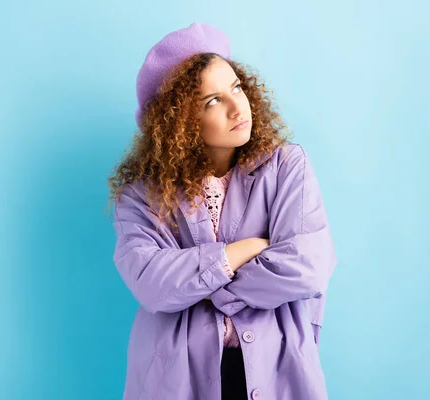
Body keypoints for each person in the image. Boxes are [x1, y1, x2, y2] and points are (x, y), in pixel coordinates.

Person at [107, 22, 338, 400]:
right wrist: (243, 250)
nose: (237, 107)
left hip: (278, 366)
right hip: (177, 378)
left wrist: (201, 287)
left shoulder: (286, 166)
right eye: (212, 101)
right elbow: (150, 282)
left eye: (236, 88)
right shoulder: (141, 196)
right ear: (178, 121)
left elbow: (306, 266)